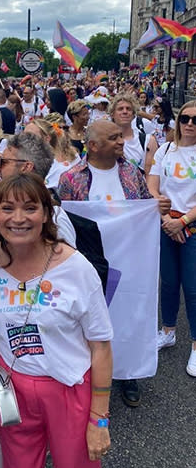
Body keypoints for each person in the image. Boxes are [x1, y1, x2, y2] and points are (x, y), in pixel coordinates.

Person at [0, 173, 113, 468]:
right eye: (7, 208)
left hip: (69, 388)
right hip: (15, 387)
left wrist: (99, 418)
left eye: (30, 208)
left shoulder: (77, 268)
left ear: (46, 214)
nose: (18, 218)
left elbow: (101, 347)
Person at [58, 120, 154, 407]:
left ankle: (128, 373)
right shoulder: (71, 179)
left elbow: (145, 207)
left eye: (119, 136)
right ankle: (89, 375)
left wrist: (155, 207)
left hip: (129, 258)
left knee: (128, 313)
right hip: (89, 262)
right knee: (88, 318)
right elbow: (63, 222)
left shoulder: (132, 173)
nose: (120, 141)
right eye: (113, 138)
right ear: (94, 145)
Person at [147, 101, 196, 375]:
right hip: (166, 226)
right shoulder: (165, 149)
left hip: (191, 227)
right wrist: (167, 221)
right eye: (185, 118)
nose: (189, 124)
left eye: (195, 120)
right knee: (168, 282)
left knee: (192, 288)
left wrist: (182, 222)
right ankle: (168, 331)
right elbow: (152, 186)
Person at [25, 118, 80, 189]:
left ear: (46, 139)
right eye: (23, 135)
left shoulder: (71, 156)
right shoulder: (21, 160)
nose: (24, 139)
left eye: (30, 136)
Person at [109, 93, 158, 175]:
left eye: (128, 109)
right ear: (112, 114)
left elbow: (150, 175)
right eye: (120, 109)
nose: (125, 112)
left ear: (133, 114)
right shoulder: (105, 141)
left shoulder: (148, 141)